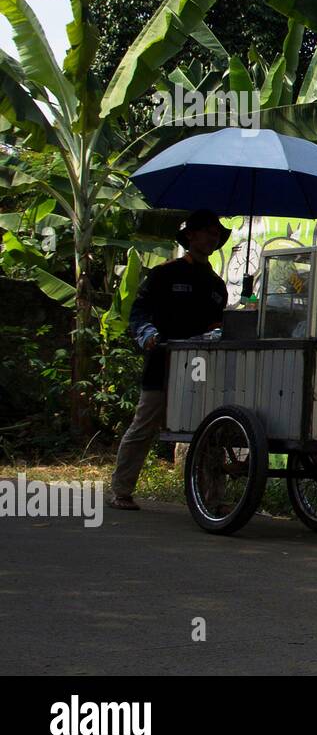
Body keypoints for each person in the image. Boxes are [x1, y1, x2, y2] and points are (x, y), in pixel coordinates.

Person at [109, 209, 230, 510]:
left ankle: (213, 500)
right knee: (144, 425)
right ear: (190, 235)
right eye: (207, 232)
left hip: (202, 368)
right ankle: (121, 491)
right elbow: (139, 312)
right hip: (163, 362)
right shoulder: (165, 273)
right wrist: (147, 333)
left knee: (210, 430)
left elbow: (217, 326)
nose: (212, 238)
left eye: (217, 234)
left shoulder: (218, 286)